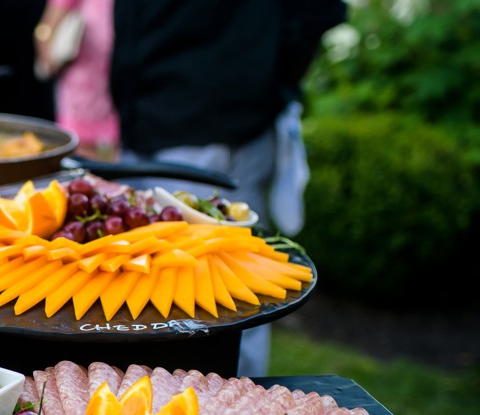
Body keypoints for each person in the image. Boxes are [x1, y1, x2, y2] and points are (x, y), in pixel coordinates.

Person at [107, 0, 344, 375]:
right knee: (139, 294)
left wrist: (260, 83)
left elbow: (315, 14)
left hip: (216, 131)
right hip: (146, 127)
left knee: (222, 299)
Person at [33, 0, 119, 160]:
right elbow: (46, 29)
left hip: (115, 88)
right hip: (83, 88)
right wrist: (51, 60)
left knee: (116, 160)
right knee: (83, 161)